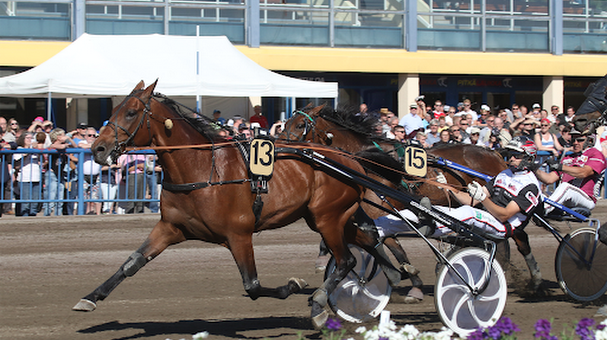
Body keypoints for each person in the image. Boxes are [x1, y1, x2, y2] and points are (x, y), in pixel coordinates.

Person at [373, 136, 541, 242]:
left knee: (467, 213)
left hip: (502, 227)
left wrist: (483, 199)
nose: (511, 158)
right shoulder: (504, 174)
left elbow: (504, 216)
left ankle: (431, 224)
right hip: (486, 216)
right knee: (427, 210)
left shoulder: (530, 186)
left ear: (528, 158)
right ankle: (377, 227)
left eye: (516, 156)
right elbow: (469, 200)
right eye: (510, 154)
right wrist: (446, 186)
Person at [535, 130, 607, 214]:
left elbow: (583, 173)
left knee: (566, 187)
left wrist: (560, 167)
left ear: (590, 141)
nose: (575, 143)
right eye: (573, 140)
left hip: (586, 199)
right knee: (536, 191)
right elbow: (549, 179)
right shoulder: (568, 158)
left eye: (580, 140)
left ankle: (543, 209)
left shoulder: (596, 154)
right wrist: (534, 169)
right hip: (567, 198)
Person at [43, 128, 77, 216]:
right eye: (62, 135)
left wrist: (69, 139)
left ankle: (57, 216)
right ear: (57, 137)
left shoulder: (65, 144)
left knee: (60, 199)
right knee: (50, 199)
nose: (64, 136)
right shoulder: (52, 145)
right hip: (52, 174)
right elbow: (58, 146)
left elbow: (75, 147)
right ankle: (46, 216)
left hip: (60, 174)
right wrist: (65, 145)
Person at [13, 132, 42, 216]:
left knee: (35, 201)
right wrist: (28, 151)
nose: (30, 140)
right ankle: (24, 218)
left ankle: (33, 217)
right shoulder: (19, 149)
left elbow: (42, 162)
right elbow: (17, 164)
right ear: (23, 139)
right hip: (24, 178)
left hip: (36, 177)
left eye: (31, 138)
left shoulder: (35, 149)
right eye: (28, 138)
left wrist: (39, 150)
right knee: (25, 201)